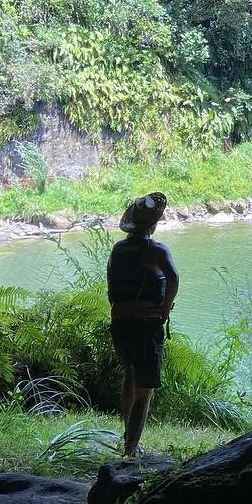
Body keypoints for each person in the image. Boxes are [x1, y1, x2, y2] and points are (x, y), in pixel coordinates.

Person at [106, 191, 178, 456]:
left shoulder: (118, 249)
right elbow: (174, 278)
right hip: (145, 325)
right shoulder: (155, 249)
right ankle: (131, 449)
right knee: (144, 389)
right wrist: (164, 309)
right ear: (153, 223)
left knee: (130, 377)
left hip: (120, 324)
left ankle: (128, 438)